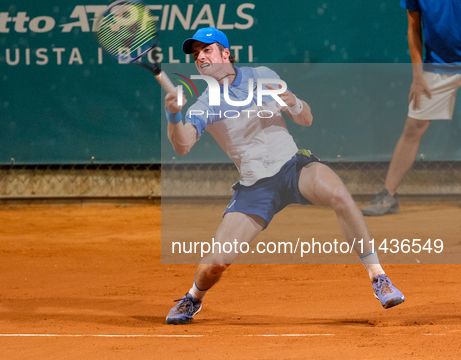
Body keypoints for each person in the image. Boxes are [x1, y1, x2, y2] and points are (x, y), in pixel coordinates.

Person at [163, 27, 405, 325]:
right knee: (217, 264)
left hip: (292, 168)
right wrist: (174, 116)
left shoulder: (262, 75)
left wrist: (291, 99)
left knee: (339, 194)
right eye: (196, 54)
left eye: (207, 50)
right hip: (254, 187)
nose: (200, 57)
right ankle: (193, 297)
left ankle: (379, 277)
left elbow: (306, 118)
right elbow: (183, 145)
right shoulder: (205, 104)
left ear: (226, 53)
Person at [362, 0, 461, 216]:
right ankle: (389, 196)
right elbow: (414, 29)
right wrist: (417, 75)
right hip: (439, 64)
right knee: (413, 127)